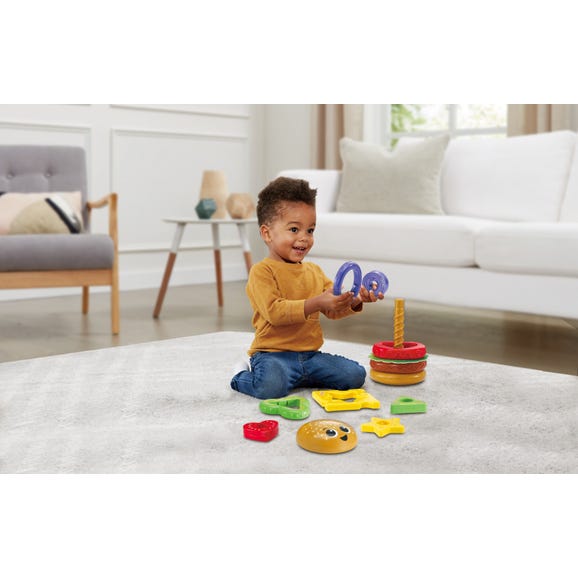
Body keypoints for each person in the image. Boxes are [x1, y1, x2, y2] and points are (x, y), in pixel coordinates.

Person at [230, 176, 384, 399]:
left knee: (355, 376)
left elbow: (333, 308)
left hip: (310, 356)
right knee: (270, 387)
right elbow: (275, 312)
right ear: (267, 233)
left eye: (310, 230)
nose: (304, 238)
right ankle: (240, 374)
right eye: (294, 229)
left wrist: (357, 298)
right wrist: (317, 302)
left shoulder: (314, 271)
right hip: (273, 355)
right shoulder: (261, 272)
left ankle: (301, 376)